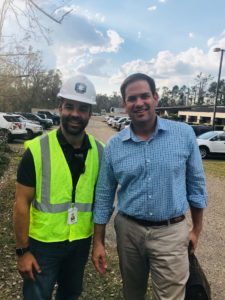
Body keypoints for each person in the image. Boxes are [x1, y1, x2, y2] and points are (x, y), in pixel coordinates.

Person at [92, 73, 207, 300]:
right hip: (128, 232)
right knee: (132, 294)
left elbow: (196, 185)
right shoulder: (114, 146)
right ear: (124, 105)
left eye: (144, 96)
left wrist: (196, 230)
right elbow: (104, 195)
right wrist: (98, 241)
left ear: (155, 97)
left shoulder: (183, 134)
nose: (139, 103)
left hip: (171, 232)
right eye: (131, 98)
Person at [13, 74, 104, 300]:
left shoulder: (101, 152)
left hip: (80, 242)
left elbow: (102, 202)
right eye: (69, 106)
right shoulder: (37, 150)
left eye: (83, 108)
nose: (75, 113)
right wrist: (23, 252)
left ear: (90, 113)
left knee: (70, 295)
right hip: (43, 245)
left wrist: (98, 242)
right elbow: (21, 204)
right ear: (59, 107)